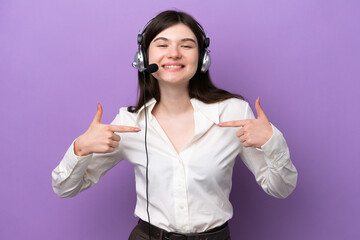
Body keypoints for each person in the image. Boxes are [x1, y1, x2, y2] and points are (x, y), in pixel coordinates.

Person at [52, 10, 298, 240]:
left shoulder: (232, 112)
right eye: (162, 44)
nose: (174, 53)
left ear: (202, 58)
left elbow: (281, 188)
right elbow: (64, 189)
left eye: (186, 45)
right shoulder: (129, 123)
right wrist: (80, 148)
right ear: (143, 57)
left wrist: (272, 141)